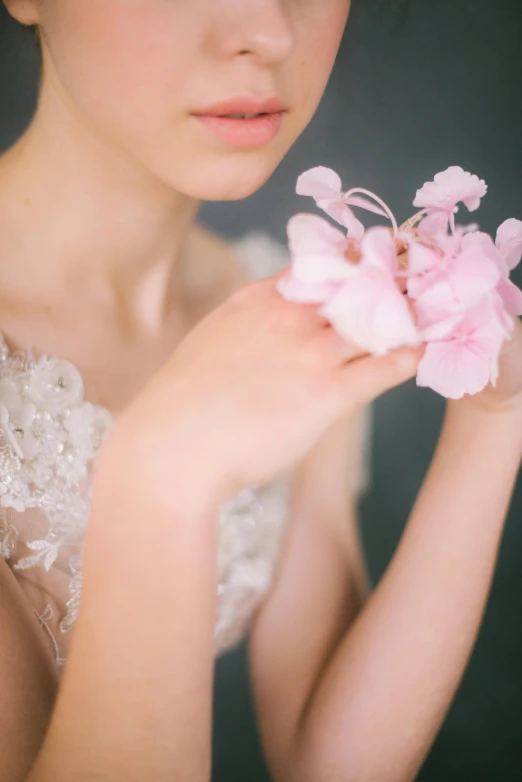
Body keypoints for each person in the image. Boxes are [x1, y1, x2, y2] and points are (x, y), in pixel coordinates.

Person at [0, 1, 520, 780]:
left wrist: (495, 415)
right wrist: (156, 490)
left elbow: (331, 762)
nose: (272, 32)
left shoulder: (276, 306)